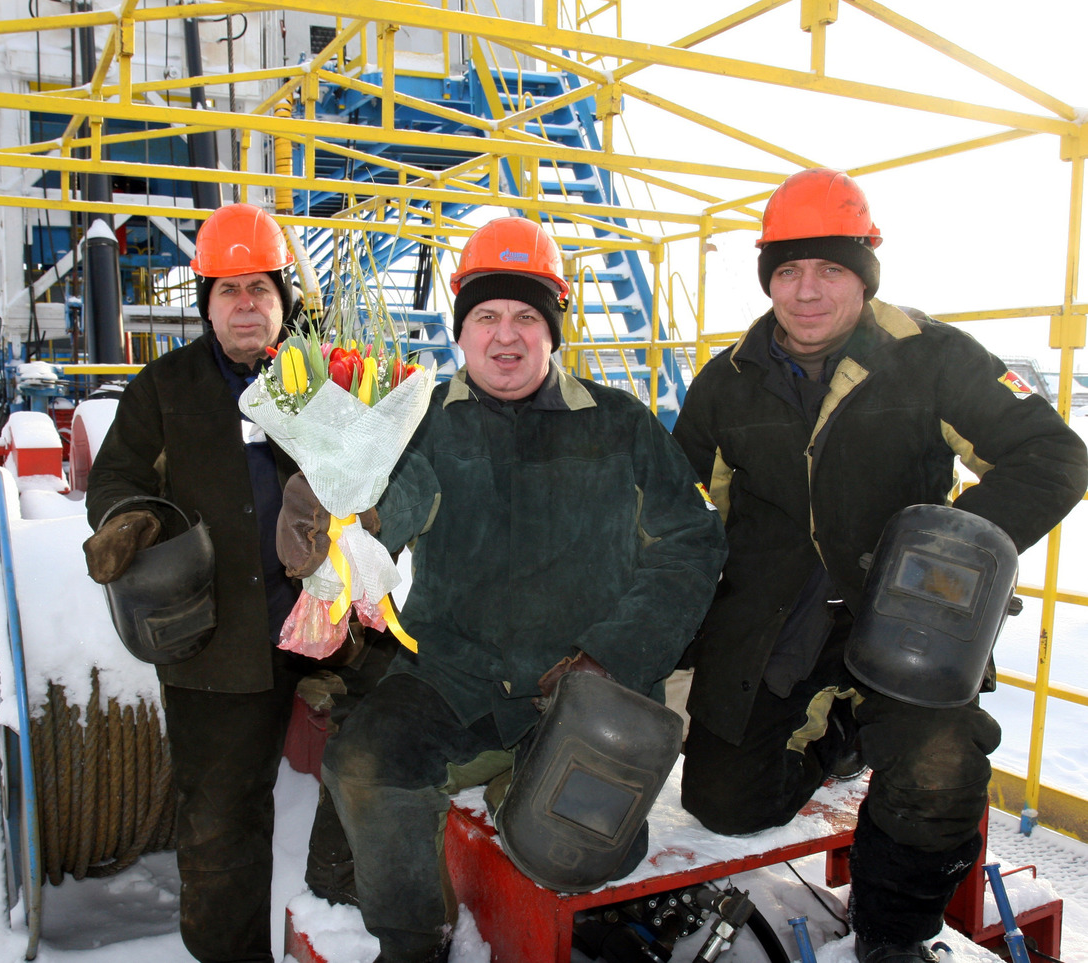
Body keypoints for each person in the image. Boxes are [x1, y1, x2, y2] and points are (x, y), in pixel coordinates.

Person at [277, 215, 727, 963]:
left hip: (588, 691)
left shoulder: (619, 425)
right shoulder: (422, 426)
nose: (506, 336)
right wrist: (337, 521)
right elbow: (395, 503)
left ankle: (527, 791)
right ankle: (415, 941)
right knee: (363, 761)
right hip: (457, 677)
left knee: (578, 852)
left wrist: (611, 657)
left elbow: (691, 544)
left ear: (555, 329)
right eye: (486, 316)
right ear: (463, 330)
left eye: (526, 317)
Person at [671, 168, 1088, 963]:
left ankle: (892, 931)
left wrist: (947, 546)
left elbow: (1054, 455)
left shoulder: (931, 357)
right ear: (767, 278)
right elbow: (672, 506)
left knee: (937, 772)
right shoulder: (725, 383)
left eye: (829, 269)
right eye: (787, 271)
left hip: (910, 620)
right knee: (724, 803)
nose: (806, 292)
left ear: (863, 271)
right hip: (776, 623)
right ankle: (843, 732)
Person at [82, 202, 394, 963]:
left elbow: (373, 486)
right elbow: (116, 476)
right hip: (217, 644)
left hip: (328, 629)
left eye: (261, 287)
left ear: (284, 300)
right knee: (221, 824)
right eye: (229, 290)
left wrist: (360, 516)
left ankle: (339, 910)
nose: (246, 304)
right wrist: (133, 518)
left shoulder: (319, 381)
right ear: (208, 304)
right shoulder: (166, 388)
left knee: (396, 746)